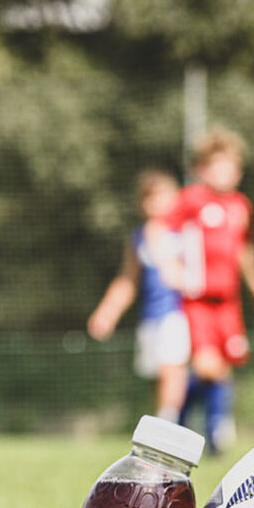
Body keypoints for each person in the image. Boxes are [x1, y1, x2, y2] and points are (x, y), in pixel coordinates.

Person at [165, 128, 254, 453]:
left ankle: (199, 433)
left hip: (227, 302)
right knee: (205, 366)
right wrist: (170, 268)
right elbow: (161, 232)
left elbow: (244, 250)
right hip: (197, 300)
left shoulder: (240, 206)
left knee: (223, 368)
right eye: (218, 166)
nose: (226, 173)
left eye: (232, 167)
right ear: (202, 169)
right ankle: (190, 428)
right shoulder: (191, 200)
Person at [87, 171, 191, 423]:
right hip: (151, 315)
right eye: (150, 197)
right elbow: (127, 280)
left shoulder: (184, 234)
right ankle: (165, 423)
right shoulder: (138, 238)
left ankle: (170, 424)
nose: (157, 203)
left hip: (177, 313)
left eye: (163, 196)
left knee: (172, 370)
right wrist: (107, 313)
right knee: (156, 374)